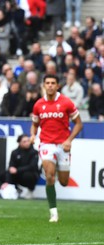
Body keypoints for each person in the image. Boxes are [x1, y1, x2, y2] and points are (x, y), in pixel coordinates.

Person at [30, 74, 83, 222]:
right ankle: (53, 212)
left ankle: (60, 168)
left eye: (53, 83)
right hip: (46, 144)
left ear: (58, 85)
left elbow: (79, 123)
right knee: (49, 175)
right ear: (44, 85)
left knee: (64, 182)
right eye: (47, 83)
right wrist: (33, 135)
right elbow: (34, 124)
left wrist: (69, 140)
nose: (50, 85)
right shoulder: (38, 105)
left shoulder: (66, 103)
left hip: (63, 145)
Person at [0, 134, 39, 199]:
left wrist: (17, 170)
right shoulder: (15, 152)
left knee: (28, 176)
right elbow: (11, 166)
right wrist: (7, 181)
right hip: (17, 174)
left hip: (30, 174)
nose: (27, 143)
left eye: (28, 141)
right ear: (19, 142)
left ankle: (30, 190)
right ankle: (16, 189)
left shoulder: (34, 152)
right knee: (2, 175)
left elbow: (32, 166)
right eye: (24, 141)